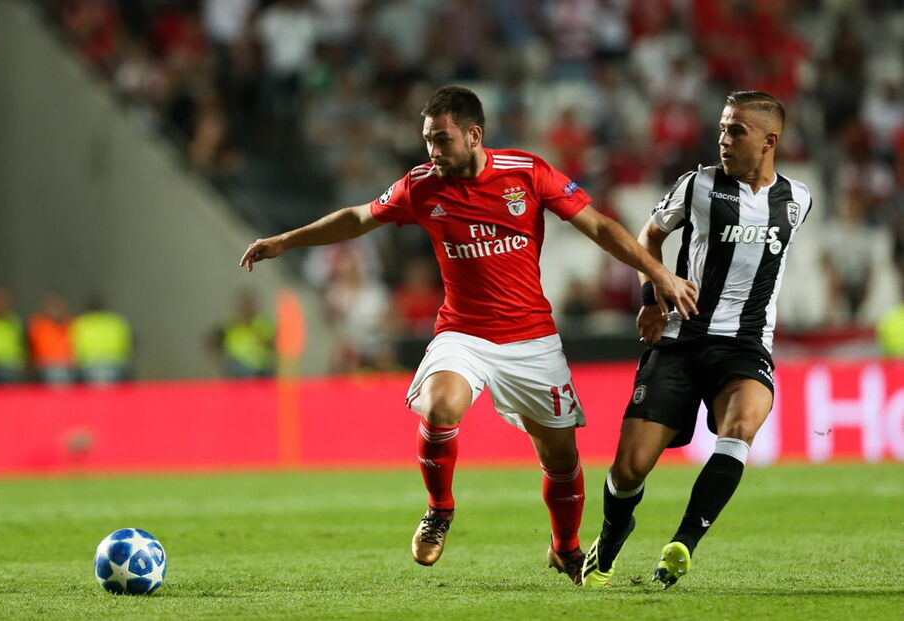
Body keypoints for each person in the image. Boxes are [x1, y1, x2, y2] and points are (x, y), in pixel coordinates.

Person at [240, 86, 697, 585]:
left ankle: (564, 546)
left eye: (441, 140)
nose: (432, 151)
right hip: (463, 334)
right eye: (427, 140)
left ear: (474, 135)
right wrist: (286, 240)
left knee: (561, 458)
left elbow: (601, 228)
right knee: (440, 406)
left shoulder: (528, 172)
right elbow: (358, 218)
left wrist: (657, 274)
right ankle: (440, 510)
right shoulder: (421, 186)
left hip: (532, 340)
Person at [580, 91, 813, 589]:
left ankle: (681, 545)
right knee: (629, 469)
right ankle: (612, 534)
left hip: (746, 344)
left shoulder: (798, 199)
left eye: (737, 131)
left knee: (742, 425)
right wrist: (651, 295)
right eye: (723, 128)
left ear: (770, 141)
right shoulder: (698, 186)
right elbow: (648, 236)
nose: (724, 139)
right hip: (681, 339)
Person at [28, 291, 77, 385]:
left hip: (67, 369)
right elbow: (32, 354)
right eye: (53, 306)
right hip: (44, 370)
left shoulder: (71, 325)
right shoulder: (37, 325)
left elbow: (75, 352)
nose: (56, 310)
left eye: (59, 306)